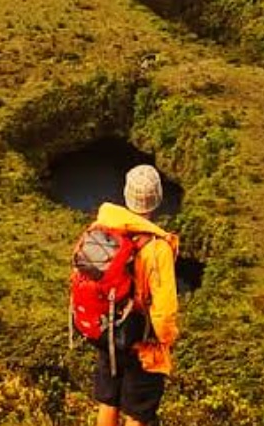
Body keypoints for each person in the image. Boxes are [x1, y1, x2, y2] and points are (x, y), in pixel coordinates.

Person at [93, 164, 179, 426]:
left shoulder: (103, 227)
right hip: (141, 338)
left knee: (109, 400)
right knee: (138, 410)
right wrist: (166, 341)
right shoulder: (157, 248)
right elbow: (164, 309)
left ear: (126, 194)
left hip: (108, 328)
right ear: (158, 198)